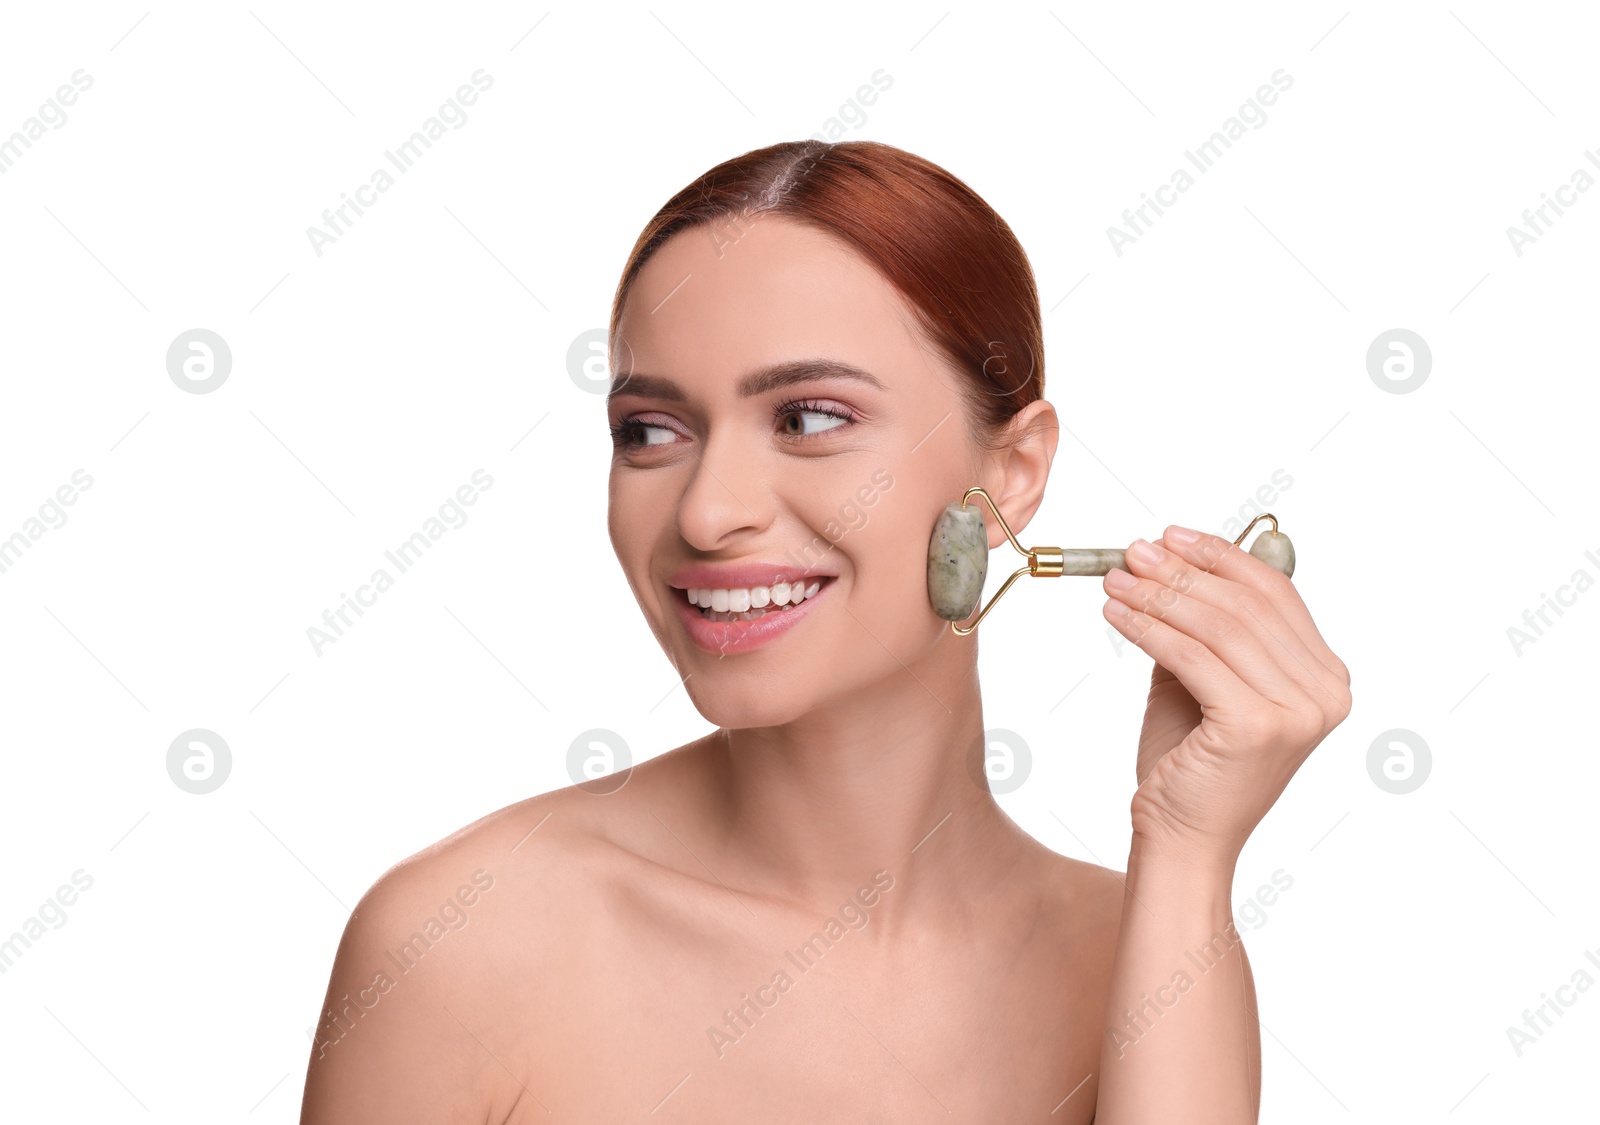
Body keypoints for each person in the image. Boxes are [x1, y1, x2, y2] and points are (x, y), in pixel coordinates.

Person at [298, 139, 1351, 1123]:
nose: (708, 513)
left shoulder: (1143, 951)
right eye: (649, 432)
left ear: (1011, 474)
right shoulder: (462, 946)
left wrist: (1186, 851)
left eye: (806, 419)